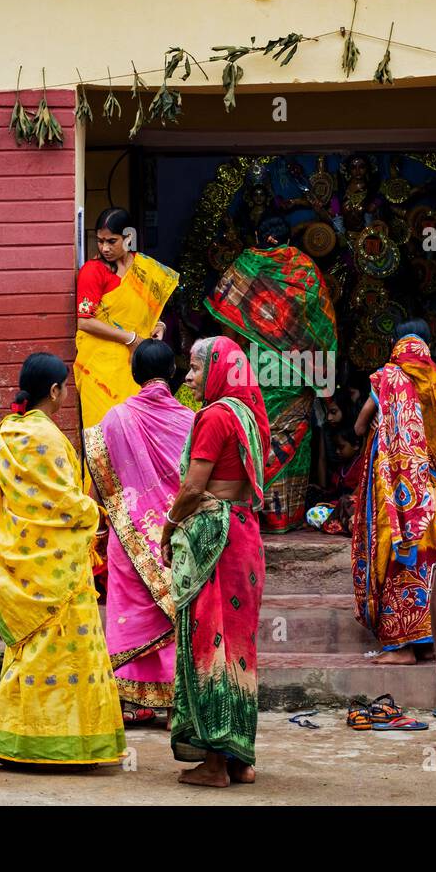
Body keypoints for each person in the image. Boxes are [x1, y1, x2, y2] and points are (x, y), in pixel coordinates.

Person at [0, 353, 126, 766]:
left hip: (25, 564)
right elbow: (62, 504)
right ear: (55, 390)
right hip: (62, 567)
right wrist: (93, 512)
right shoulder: (48, 438)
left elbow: (8, 503)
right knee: (70, 653)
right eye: (66, 387)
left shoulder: (7, 434)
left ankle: (17, 739)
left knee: (33, 651)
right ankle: (73, 742)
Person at [159, 336, 269, 787]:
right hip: (245, 536)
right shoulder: (251, 417)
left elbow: (192, 487)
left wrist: (168, 527)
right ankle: (241, 760)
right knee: (240, 650)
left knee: (210, 644)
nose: (188, 377)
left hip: (215, 540)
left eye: (196, 368)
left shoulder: (215, 417)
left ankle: (215, 763)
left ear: (219, 370)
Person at [205, 216, 338, 533]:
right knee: (291, 445)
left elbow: (229, 324)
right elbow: (320, 330)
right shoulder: (305, 269)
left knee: (254, 438)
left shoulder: (246, 265)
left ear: (256, 234)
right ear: (289, 240)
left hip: (253, 370)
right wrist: (326, 390)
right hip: (296, 371)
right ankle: (284, 517)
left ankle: (251, 514)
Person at [84, 340, 194, 720]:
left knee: (129, 615)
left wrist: (98, 524)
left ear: (133, 374)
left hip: (129, 537)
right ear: (174, 373)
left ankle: (133, 701)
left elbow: (98, 482)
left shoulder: (115, 418)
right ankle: (176, 704)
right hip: (178, 536)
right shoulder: (190, 419)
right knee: (176, 614)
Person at [351, 320, 436, 665]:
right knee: (426, 554)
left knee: (396, 549)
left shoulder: (386, 378)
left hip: (392, 482)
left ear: (396, 343)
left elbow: (357, 425)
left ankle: (402, 647)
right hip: (425, 485)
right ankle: (427, 641)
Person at [75, 207, 178, 433]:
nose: (104, 248)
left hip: (138, 368)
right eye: (100, 241)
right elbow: (84, 321)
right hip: (101, 370)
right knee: (106, 435)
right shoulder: (93, 271)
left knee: (138, 433)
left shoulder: (145, 269)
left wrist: (158, 326)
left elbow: (148, 313)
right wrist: (130, 339)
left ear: (129, 237)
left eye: (112, 241)